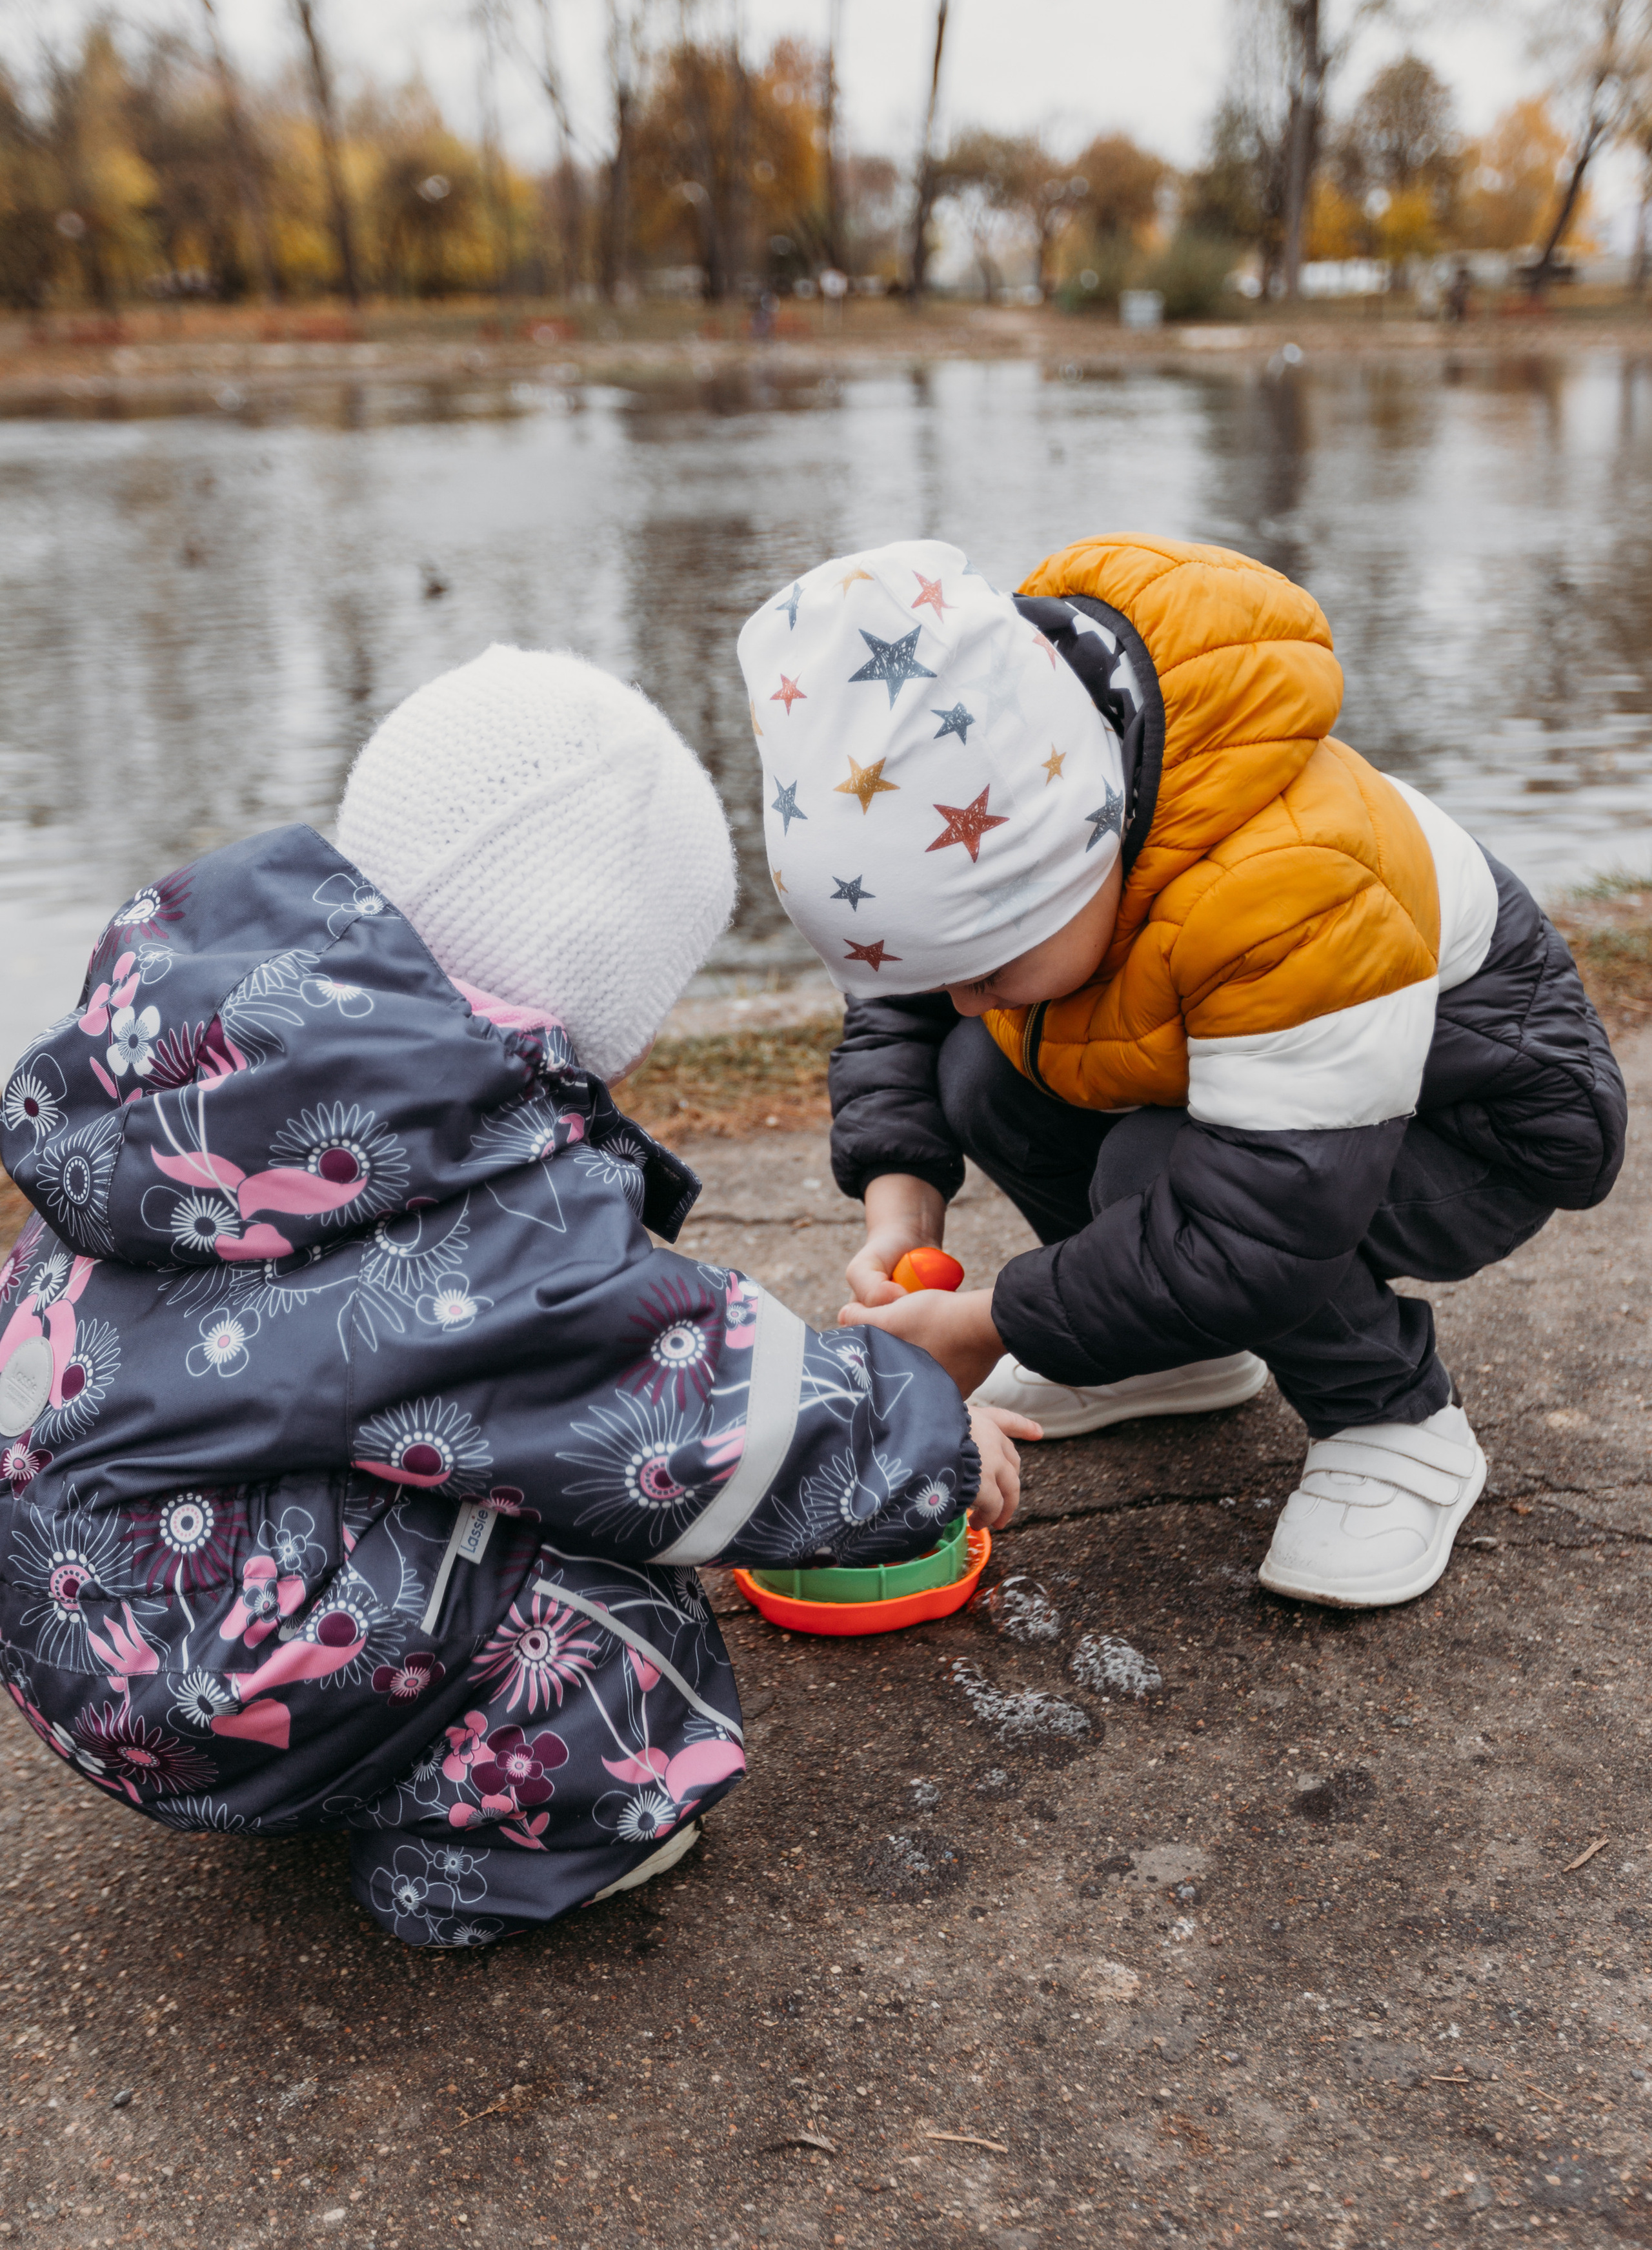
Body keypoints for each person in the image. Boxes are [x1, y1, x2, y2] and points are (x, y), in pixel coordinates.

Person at [0, 646, 1029, 1947]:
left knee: (480, 1453)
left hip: (66, 1618)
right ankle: (482, 1860)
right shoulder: (477, 1202)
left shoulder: (218, 1052)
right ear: (602, 981)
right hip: (199, 1701)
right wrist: (925, 1433)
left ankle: (329, 1723)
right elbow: (669, 1399)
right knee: (625, 1635)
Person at [737, 538, 1627, 1611]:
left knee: (1156, 1178)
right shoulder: (1025, 830)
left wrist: (985, 1323)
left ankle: (1395, 1419)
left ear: (1077, 858)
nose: (963, 994)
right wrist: (903, 1217)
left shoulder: (1292, 881)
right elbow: (911, 997)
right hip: (1274, 1095)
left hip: (1485, 1128)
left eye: (986, 963)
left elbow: (1265, 1213)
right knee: (980, 1069)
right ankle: (1169, 1360)